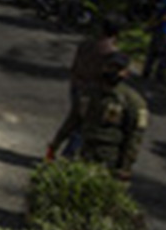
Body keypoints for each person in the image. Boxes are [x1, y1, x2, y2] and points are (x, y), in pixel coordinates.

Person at [47, 52, 148, 181]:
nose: (113, 71)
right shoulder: (88, 93)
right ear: (103, 67)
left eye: (118, 69)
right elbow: (72, 120)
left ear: (125, 73)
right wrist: (54, 145)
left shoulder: (133, 102)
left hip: (109, 159)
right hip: (85, 152)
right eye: (110, 67)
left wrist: (126, 166)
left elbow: (135, 137)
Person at [63, 16, 123, 156]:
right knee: (83, 126)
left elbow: (75, 66)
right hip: (93, 92)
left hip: (77, 86)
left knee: (75, 121)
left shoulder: (86, 45)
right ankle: (68, 156)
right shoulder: (112, 53)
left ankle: (67, 154)